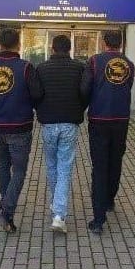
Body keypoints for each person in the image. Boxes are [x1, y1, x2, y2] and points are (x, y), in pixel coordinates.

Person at [80, 30, 135, 234]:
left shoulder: (94, 62)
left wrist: (84, 106)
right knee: (116, 161)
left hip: (99, 120)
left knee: (99, 167)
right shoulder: (129, 64)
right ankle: (110, 199)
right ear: (120, 43)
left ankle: (98, 219)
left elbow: (85, 89)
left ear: (104, 42)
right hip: (121, 120)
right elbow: (128, 87)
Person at [0, 28, 38, 233]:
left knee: (3, 165)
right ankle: (7, 212)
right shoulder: (26, 68)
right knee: (20, 171)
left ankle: (5, 201)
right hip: (20, 127)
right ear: (19, 44)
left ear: (0, 44)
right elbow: (37, 94)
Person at [34, 34, 86, 233]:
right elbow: (85, 93)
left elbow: (36, 94)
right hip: (69, 124)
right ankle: (59, 215)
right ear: (70, 49)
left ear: (52, 48)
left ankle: (56, 206)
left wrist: (41, 110)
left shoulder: (41, 68)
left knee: (52, 166)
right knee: (64, 168)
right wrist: (80, 109)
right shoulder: (79, 68)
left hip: (48, 124)